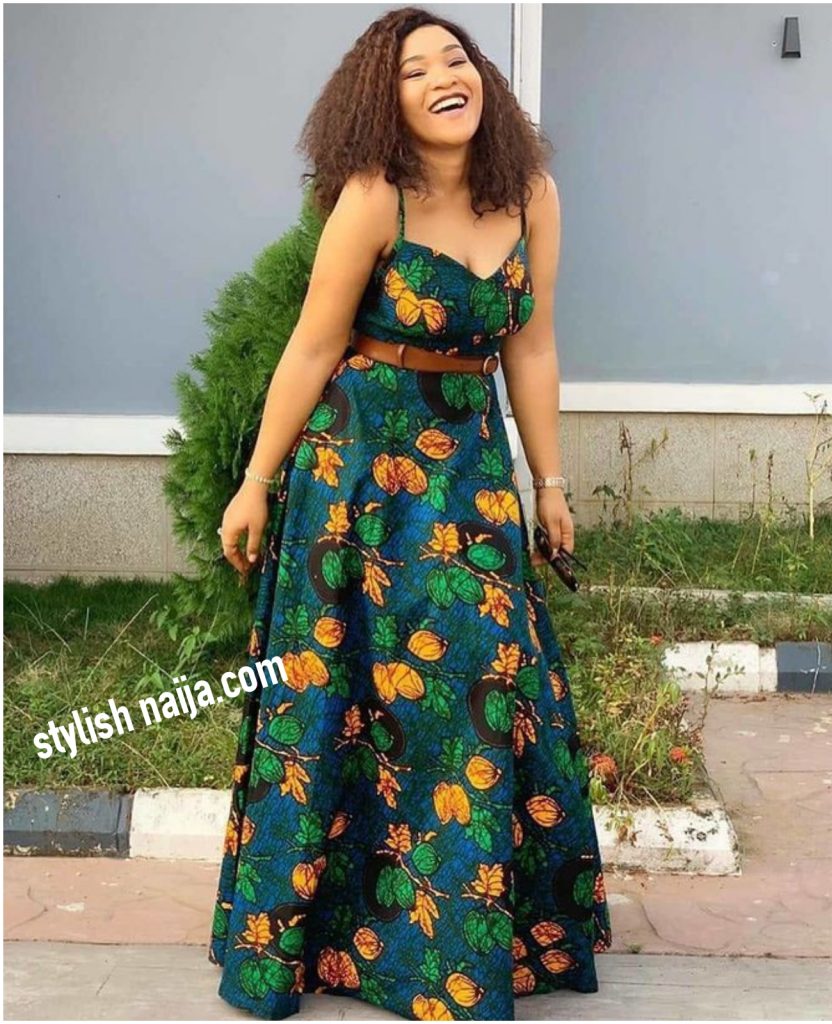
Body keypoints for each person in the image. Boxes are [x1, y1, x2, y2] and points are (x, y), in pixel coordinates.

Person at [208, 6, 612, 1021]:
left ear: (483, 80)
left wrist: (549, 484)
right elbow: (312, 345)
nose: (443, 77)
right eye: (414, 70)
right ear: (383, 103)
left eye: (455, 58)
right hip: (358, 470)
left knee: (477, 680)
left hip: (468, 466)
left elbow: (531, 345)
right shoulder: (371, 198)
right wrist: (256, 480)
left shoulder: (531, 193)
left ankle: (450, 940)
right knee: (343, 689)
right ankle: (336, 936)